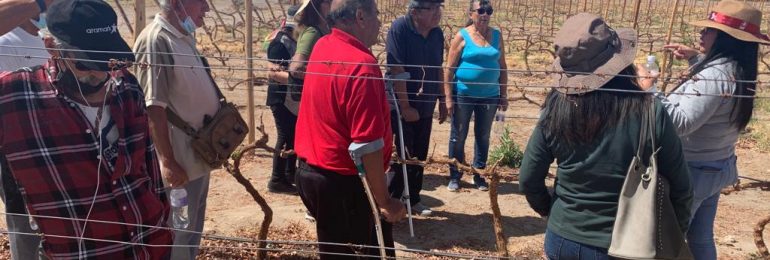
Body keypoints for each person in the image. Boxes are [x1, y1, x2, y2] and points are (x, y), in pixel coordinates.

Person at [0, 0, 173, 258]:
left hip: (150, 248)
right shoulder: (15, 98)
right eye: (84, 62)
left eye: (106, 62)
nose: (98, 73)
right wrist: (40, 2)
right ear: (52, 49)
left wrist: (163, 230)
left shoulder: (126, 86)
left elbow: (149, 173)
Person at [519, 13, 693, 259]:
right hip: (625, 246)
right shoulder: (649, 112)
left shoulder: (555, 108)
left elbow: (528, 178)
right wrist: (672, 235)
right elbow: (682, 189)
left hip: (562, 240)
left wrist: (555, 214)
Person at [639, 1, 766, 259]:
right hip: (715, 165)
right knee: (700, 238)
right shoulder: (738, 69)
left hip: (692, 172)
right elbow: (714, 94)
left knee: (667, 241)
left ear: (727, 39)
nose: (701, 33)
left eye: (709, 30)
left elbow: (681, 122)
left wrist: (649, 89)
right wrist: (696, 58)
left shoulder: (716, 75)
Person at [294, 0, 406, 258]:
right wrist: (385, 201)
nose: (380, 22)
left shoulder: (323, 46)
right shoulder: (362, 66)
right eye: (376, 14)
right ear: (360, 17)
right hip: (342, 183)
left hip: (310, 174)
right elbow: (367, 145)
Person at [133, 0, 218, 258]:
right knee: (177, 231)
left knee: (192, 228)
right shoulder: (155, 41)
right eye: (201, 2)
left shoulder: (181, 37)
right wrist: (168, 162)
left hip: (198, 154)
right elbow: (153, 108)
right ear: (179, 3)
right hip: (179, 161)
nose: (207, 8)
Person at [385, 0, 446, 216]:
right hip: (402, 104)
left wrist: (443, 99)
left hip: (426, 104)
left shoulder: (437, 34)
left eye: (440, 8)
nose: (438, 13)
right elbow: (396, 68)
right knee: (402, 154)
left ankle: (414, 198)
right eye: (432, 8)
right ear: (415, 12)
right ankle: (391, 203)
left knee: (419, 153)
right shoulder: (399, 28)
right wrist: (405, 106)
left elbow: (438, 67)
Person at [443, 0, 508, 192]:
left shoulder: (497, 36)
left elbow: (503, 66)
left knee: (483, 135)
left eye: (489, 11)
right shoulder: (462, 36)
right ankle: (455, 175)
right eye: (481, 10)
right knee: (458, 135)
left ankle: (479, 175)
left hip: (489, 95)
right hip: (463, 94)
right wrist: (448, 97)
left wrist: (503, 94)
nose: (485, 14)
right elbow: (449, 70)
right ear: (471, 13)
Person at [0, 17, 49, 260]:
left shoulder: (44, 39)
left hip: (52, 145)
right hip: (16, 154)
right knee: (23, 224)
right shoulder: (5, 43)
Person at [264, 5, 300, 194]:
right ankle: (277, 179)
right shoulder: (279, 42)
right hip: (281, 98)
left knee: (293, 137)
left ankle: (289, 174)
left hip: (292, 98)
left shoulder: (293, 40)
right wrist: (303, 81)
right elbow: (274, 73)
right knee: (285, 137)